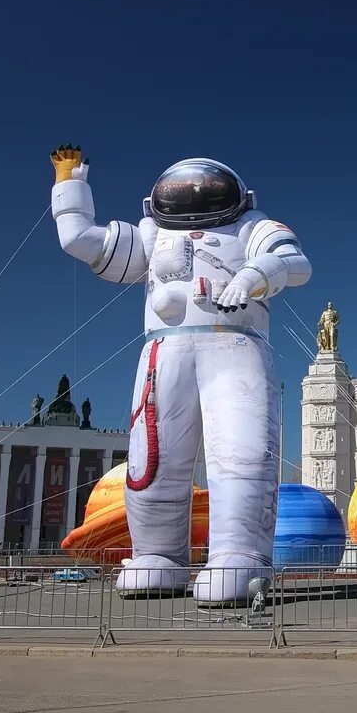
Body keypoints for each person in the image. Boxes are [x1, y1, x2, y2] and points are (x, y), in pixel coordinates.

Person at [49, 147, 312, 605]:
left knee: (242, 454)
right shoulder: (152, 233)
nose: (193, 197)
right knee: (152, 457)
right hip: (164, 351)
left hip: (235, 346)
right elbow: (80, 241)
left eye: (203, 189)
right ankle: (157, 556)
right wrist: (70, 184)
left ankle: (240, 556)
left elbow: (294, 264)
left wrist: (251, 275)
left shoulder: (252, 226)